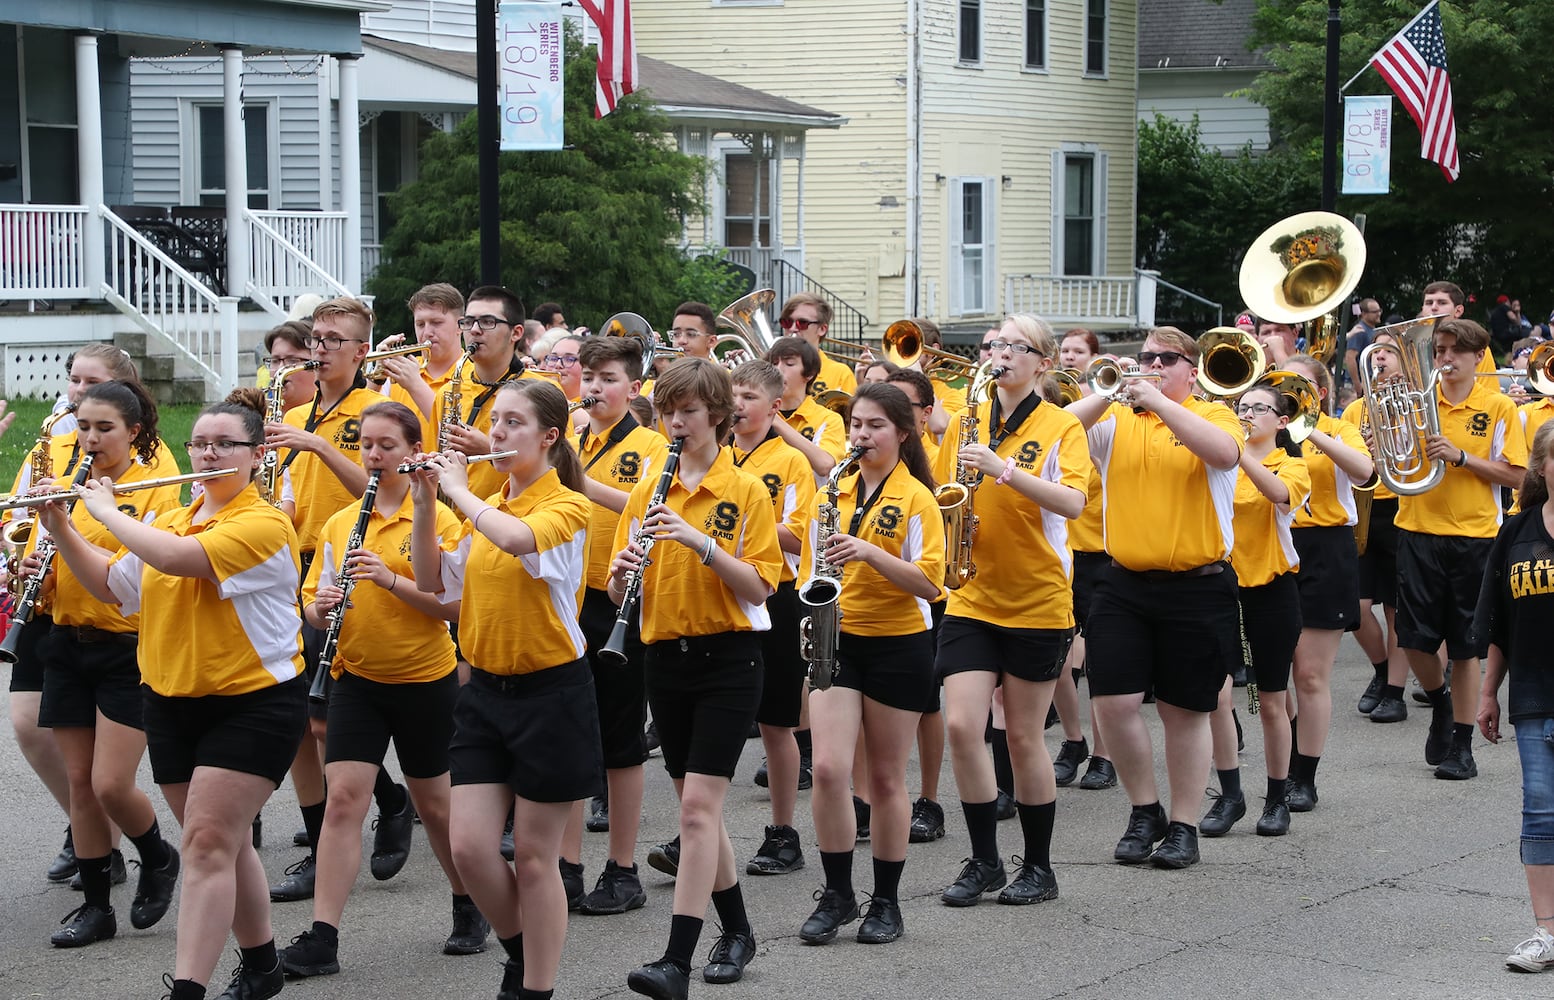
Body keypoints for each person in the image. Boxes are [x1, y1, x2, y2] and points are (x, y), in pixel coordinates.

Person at [48, 388, 308, 1000]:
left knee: (205, 844)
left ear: (255, 454)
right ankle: (264, 965)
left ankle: (186, 989)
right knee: (223, 840)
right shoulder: (171, 517)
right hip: (169, 700)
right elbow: (114, 585)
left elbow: (180, 559)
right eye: (202, 442)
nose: (210, 452)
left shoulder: (262, 522)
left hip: (252, 702)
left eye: (226, 444)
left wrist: (107, 511)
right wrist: (60, 525)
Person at [277, 401, 482, 978]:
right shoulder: (343, 522)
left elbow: (455, 605)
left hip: (424, 679)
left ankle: (468, 903)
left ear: (413, 453)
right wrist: (319, 608)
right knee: (343, 800)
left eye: (387, 446)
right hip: (354, 679)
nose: (373, 455)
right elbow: (317, 609)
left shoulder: (440, 518)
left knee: (436, 806)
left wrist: (390, 581)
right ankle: (323, 938)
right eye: (366, 444)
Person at [409, 379, 598, 1000]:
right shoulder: (483, 505)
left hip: (551, 693)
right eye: (496, 422)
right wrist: (425, 501)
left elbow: (517, 542)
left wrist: (461, 490)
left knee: (537, 859)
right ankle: (523, 952)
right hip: (486, 694)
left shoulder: (565, 505)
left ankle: (535, 987)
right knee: (468, 850)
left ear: (549, 437)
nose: (497, 434)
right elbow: (432, 579)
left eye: (514, 424)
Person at [610, 358, 781, 999]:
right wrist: (625, 572)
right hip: (665, 658)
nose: (675, 423)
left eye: (685, 411)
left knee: (696, 811)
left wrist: (701, 543)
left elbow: (761, 584)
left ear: (715, 413)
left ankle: (675, 962)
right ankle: (737, 929)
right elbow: (619, 583)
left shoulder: (746, 491)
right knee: (696, 811)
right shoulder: (648, 489)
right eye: (666, 412)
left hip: (728, 660)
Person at [1065, 327, 1244, 871]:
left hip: (1198, 583)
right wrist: (1108, 388)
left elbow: (1224, 455)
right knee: (1112, 703)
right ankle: (1146, 810)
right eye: (1145, 358)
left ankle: (1185, 823)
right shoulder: (1116, 420)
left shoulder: (1213, 414)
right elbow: (1055, 431)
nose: (1152, 366)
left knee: (1184, 710)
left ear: (1191, 369)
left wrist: (1161, 402)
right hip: (1123, 581)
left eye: (1166, 359)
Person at [5, 345, 177, 885]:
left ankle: (155, 855)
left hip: (124, 643)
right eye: (83, 425)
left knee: (108, 783)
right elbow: (25, 533)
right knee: (80, 779)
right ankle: (97, 897)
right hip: (62, 632)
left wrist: (70, 530)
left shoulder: (151, 478)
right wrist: (24, 565)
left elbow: (136, 573)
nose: (90, 436)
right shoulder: (59, 453)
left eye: (103, 425)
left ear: (131, 424)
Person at [933, 315, 1088, 907]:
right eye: (993, 345)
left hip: (1037, 601)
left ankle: (1040, 868)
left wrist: (1005, 471)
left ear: (1041, 362)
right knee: (962, 726)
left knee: (1022, 737)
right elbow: (945, 494)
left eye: (1013, 347)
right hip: (971, 594)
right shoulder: (969, 420)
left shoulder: (1060, 427)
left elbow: (1073, 502)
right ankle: (984, 861)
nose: (998, 355)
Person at [798, 382, 944, 945]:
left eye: (875, 425)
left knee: (884, 778)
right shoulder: (832, 491)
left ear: (902, 434)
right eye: (856, 424)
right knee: (831, 769)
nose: (861, 435)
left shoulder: (917, 498)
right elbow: (813, 568)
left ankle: (886, 901)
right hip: (837, 639)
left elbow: (931, 583)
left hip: (898, 644)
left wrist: (871, 553)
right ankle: (837, 894)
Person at [263, 296, 387, 904]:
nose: (320, 348)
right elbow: (293, 493)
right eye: (316, 337)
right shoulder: (306, 405)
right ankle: (373, 809)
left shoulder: (371, 408)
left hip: (351, 560)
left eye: (334, 339)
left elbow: (379, 487)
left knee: (320, 716)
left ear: (362, 351)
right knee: (302, 720)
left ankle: (377, 807)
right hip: (296, 563)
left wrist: (315, 446)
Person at [1393, 318, 1525, 780]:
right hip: (1416, 529)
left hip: (1474, 537)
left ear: (1476, 357)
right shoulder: (1416, 403)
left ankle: (1463, 747)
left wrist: (1463, 458)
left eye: (1452, 351)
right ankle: (1441, 703)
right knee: (1412, 640)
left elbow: (1519, 477)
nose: (1444, 359)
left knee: (1466, 648)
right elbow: (1393, 467)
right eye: (1439, 350)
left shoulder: (1500, 406)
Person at [569, 337, 669, 917]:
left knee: (621, 739)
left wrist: (575, 479)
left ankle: (623, 868)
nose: (594, 388)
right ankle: (570, 865)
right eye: (588, 377)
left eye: (607, 378)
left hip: (621, 598)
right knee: (573, 730)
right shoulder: (576, 437)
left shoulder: (653, 444)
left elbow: (647, 505)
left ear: (634, 388)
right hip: (567, 598)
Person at [1199, 382, 1310, 838]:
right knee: (1216, 699)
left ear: (1281, 422)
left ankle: (1277, 795)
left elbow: (1278, 494)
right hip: (1220, 589)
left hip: (1271, 590)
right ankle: (1230, 794)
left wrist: (1239, 450)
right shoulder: (1218, 462)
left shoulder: (1292, 463)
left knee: (1271, 701)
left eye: (1259, 408)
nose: (1247, 414)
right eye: (1241, 407)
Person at [726, 360, 815, 878]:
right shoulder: (717, 454)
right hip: (723, 589)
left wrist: (747, 520)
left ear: (774, 406)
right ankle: (699, 826)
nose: (737, 405)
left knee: (775, 721)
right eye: (732, 395)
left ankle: (783, 832)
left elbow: (799, 534)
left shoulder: (791, 461)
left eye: (748, 397)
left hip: (777, 592)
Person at [1279, 353, 1375, 811]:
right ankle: (1289, 755)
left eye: (1297, 385)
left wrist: (1308, 427)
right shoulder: (1263, 430)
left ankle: (1305, 774)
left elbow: (1363, 472)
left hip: (1326, 548)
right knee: (1273, 678)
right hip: (1272, 548)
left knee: (1311, 673)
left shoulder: (1338, 429)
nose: (1285, 392)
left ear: (1318, 392)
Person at [1476, 420, 1554, 974]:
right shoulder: (1517, 530)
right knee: (1541, 815)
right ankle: (1546, 934)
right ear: (1542, 467)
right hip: (1532, 695)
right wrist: (1488, 693)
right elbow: (1499, 622)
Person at [1052, 327, 1108, 786]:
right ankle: (1074, 739)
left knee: (1104, 659)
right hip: (1065, 554)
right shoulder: (1057, 428)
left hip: (1107, 554)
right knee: (1057, 658)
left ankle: (1105, 754)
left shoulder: (1107, 423)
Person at [1345, 332, 1409, 723]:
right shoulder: (1356, 409)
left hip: (1403, 507)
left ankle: (1396, 692)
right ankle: (1383, 670)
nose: (1380, 358)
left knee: (1396, 608)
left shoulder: (1418, 404)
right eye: (1377, 352)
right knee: (1354, 606)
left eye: (1389, 352)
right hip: (1364, 507)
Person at [379, 282, 469, 446]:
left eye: (436, 323)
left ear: (460, 326)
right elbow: (364, 423)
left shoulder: (474, 374)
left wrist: (415, 385)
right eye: (420, 324)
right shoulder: (400, 370)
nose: (427, 333)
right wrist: (376, 377)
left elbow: (458, 435)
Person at [767, 336, 847, 480]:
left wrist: (776, 422)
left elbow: (825, 464)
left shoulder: (829, 419)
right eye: (774, 363)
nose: (778, 370)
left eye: (789, 363)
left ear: (809, 374)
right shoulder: (757, 414)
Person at [778, 293, 857, 398]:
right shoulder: (770, 369)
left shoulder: (840, 374)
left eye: (802, 323)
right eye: (787, 322)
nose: (792, 328)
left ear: (822, 329)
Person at [1343, 298, 1383, 392]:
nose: (1379, 314)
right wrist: (1358, 385)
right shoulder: (1360, 330)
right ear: (1364, 314)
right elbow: (1350, 358)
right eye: (1375, 312)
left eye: (1379, 310)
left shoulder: (1371, 330)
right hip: (1359, 384)